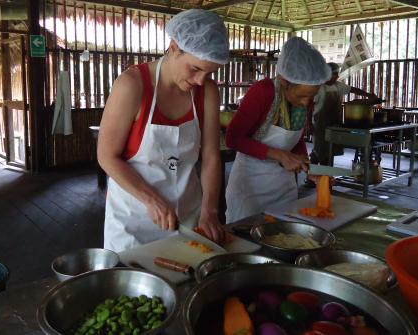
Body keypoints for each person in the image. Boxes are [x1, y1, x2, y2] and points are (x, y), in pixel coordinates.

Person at [97, 9, 229, 252]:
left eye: (209, 73)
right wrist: (152, 200)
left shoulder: (207, 92)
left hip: (189, 216)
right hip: (133, 221)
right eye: (195, 69)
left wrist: (209, 211)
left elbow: (210, 156)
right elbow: (106, 156)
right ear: (173, 47)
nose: (201, 80)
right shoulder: (132, 85)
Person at [224, 37, 331, 224]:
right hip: (250, 187)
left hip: (283, 187)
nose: (306, 102)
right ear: (283, 81)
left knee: (283, 234)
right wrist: (280, 156)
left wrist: (308, 167)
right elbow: (233, 138)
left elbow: (294, 139)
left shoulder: (303, 102)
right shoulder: (264, 92)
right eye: (302, 96)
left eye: (311, 96)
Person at [309, 62, 380, 165]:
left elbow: (353, 89)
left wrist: (369, 95)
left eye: (337, 74)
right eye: (335, 74)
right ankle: (313, 177)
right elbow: (309, 107)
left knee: (330, 152)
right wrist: (308, 124)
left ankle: (325, 177)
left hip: (334, 125)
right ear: (327, 74)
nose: (337, 76)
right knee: (319, 151)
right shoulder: (319, 88)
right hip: (320, 126)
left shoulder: (338, 86)